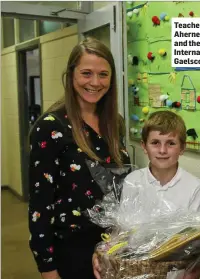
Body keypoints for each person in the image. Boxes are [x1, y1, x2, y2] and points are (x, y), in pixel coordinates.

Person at [28, 37, 131, 279]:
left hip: (113, 247)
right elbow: (39, 208)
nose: (95, 82)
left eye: (103, 74)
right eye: (86, 73)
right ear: (71, 74)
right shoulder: (52, 127)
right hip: (72, 252)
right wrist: (48, 270)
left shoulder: (113, 123)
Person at [93, 111, 200, 279]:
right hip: (134, 271)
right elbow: (123, 232)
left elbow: (198, 242)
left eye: (171, 143)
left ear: (182, 148)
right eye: (155, 143)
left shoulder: (193, 186)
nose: (162, 150)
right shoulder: (133, 181)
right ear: (144, 146)